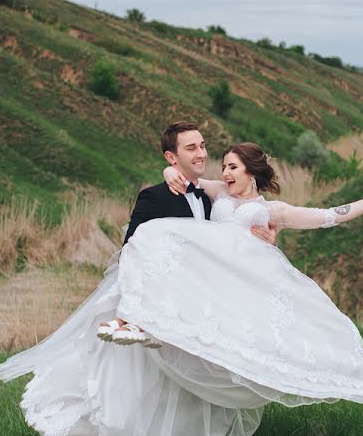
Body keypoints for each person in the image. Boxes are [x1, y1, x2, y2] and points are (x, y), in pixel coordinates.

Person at [0, 135, 363, 436]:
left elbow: (326, 217)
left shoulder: (269, 212)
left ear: (252, 172)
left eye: (233, 167)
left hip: (232, 291)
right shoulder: (217, 195)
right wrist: (167, 172)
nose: (224, 173)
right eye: (223, 166)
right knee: (157, 240)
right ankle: (143, 325)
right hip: (201, 286)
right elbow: (184, 179)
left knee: (223, 362)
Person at [97, 121, 276, 347]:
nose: (201, 154)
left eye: (202, 146)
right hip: (159, 304)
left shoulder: (212, 198)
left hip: (202, 308)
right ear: (172, 158)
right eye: (191, 148)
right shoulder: (154, 197)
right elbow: (131, 250)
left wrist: (263, 243)